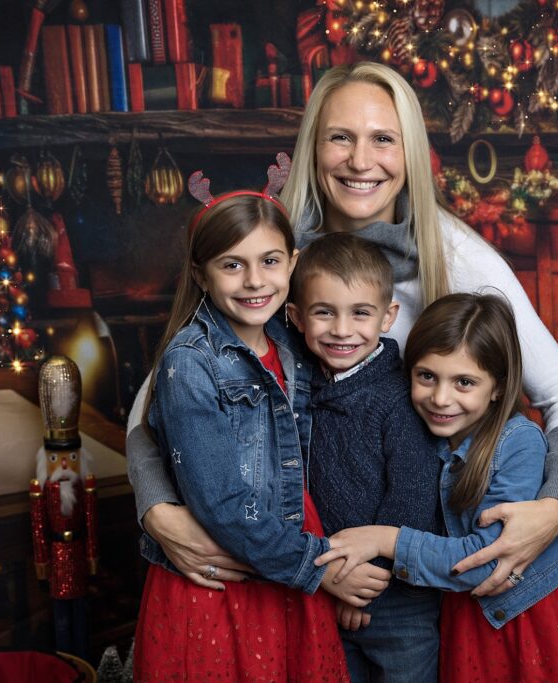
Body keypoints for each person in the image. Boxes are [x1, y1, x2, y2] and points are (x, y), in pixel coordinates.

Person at [127, 61, 558, 597]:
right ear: (314, 148)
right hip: (298, 563)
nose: (360, 160)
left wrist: (556, 505)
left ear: (411, 154)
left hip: (426, 567)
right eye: (340, 138)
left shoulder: (455, 253)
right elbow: (158, 403)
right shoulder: (271, 258)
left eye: (383, 139)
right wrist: (158, 510)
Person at [132, 192, 390, 680]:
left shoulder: (294, 339)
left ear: (292, 263)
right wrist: (323, 567)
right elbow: (222, 503)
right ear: (201, 272)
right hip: (232, 574)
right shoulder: (190, 361)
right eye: (232, 265)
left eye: (270, 261)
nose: (254, 281)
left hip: (290, 553)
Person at [316, 293, 558, 683]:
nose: (441, 398)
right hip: (465, 616)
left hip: (529, 618)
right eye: (426, 376)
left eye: (464, 382)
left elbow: (488, 559)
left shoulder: (518, 443)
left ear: (498, 387)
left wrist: (385, 541)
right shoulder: (417, 432)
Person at [285, 232, 443, 681]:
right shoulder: (296, 389)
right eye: (323, 312)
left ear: (388, 316)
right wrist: (338, 583)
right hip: (327, 586)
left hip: (397, 601)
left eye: (360, 313)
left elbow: (413, 493)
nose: (341, 329)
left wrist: (364, 582)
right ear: (296, 317)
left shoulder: (397, 396)